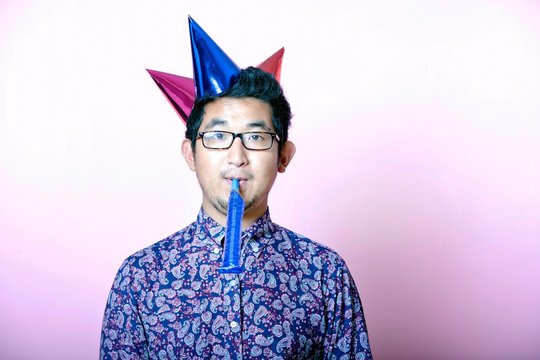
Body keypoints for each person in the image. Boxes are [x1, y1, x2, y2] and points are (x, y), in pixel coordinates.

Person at [100, 18, 372, 360]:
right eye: (217, 136)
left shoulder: (324, 273)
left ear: (283, 156)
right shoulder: (140, 278)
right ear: (191, 154)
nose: (237, 156)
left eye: (256, 137)